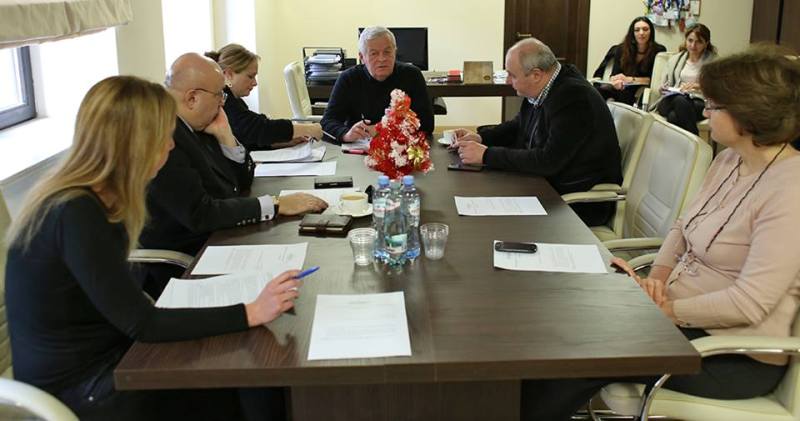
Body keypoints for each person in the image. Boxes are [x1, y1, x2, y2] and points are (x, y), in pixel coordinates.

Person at [521, 48, 800, 420]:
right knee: (558, 325)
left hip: (732, 355)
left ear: (748, 114)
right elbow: (682, 227)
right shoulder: (729, 159)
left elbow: (749, 302)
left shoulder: (790, 190)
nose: (704, 113)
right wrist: (656, 282)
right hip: (679, 319)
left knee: (576, 354)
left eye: (713, 105)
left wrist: (666, 310)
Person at [4, 76, 302, 420]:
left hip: (114, 353)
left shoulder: (95, 197)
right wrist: (251, 311)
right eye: (164, 136)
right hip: (83, 387)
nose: (172, 146)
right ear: (133, 143)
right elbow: (143, 324)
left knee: (245, 363)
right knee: (244, 370)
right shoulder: (75, 213)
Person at [140, 53, 327, 260]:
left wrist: (226, 137)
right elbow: (201, 214)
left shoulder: (199, 125)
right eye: (219, 94)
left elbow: (241, 183)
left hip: (219, 239)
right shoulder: (164, 139)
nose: (223, 102)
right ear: (192, 98)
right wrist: (275, 204)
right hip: (188, 257)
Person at [453, 38, 622, 227]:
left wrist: (487, 155)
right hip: (545, 185)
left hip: (576, 201)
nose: (508, 81)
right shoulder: (546, 87)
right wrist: (482, 137)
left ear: (536, 75)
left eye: (512, 75)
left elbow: (548, 161)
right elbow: (519, 125)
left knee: (492, 224)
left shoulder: (574, 98)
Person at [321, 26, 434, 143]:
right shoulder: (348, 78)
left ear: (395, 52)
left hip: (402, 147)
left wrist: (382, 130)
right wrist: (345, 134)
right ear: (362, 57)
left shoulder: (412, 75)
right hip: (359, 147)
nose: (382, 59)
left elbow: (427, 124)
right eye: (374, 53)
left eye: (387, 52)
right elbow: (327, 122)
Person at [205, 43, 323, 150]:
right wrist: (308, 129)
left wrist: (279, 143)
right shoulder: (222, 99)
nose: (255, 83)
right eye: (250, 76)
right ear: (228, 74)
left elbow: (244, 139)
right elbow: (257, 128)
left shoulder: (235, 100)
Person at [652, 24, 717, 134]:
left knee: (673, 116)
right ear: (686, 40)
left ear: (706, 43)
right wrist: (664, 89)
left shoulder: (713, 62)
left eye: (699, 42)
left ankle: (685, 143)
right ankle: (695, 139)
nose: (693, 45)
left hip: (699, 102)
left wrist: (699, 86)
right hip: (671, 99)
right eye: (690, 40)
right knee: (679, 99)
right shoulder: (674, 60)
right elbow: (663, 86)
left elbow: (719, 88)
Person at [593, 16, 666, 105]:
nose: (641, 33)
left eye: (645, 29)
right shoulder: (621, 49)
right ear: (632, 33)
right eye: (637, 30)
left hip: (641, 90)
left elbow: (654, 79)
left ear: (651, 32)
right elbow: (614, 74)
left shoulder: (659, 50)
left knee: (626, 95)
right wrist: (615, 80)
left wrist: (630, 79)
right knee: (597, 91)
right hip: (621, 87)